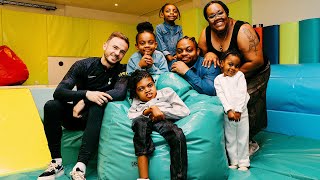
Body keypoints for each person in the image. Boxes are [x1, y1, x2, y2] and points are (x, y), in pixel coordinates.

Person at [38, 32, 130, 180]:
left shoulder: (123, 70)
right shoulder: (83, 65)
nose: (117, 53)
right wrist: (86, 94)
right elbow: (60, 92)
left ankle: (80, 166)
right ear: (104, 46)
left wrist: (88, 100)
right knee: (51, 105)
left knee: (98, 104)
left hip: (97, 119)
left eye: (122, 52)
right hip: (76, 116)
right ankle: (57, 162)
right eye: (114, 47)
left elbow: (119, 93)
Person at [198, 0, 270, 155]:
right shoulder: (206, 33)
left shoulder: (243, 30)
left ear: (227, 13)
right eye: (211, 16)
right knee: (226, 103)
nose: (217, 18)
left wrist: (232, 76)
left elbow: (257, 61)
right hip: (228, 75)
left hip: (255, 70)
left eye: (220, 13)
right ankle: (230, 141)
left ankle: (249, 142)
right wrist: (208, 53)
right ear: (208, 20)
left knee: (244, 102)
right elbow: (201, 53)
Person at [128, 70, 190, 180]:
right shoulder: (137, 101)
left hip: (163, 120)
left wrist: (160, 111)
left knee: (177, 134)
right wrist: (149, 110)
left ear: (154, 83)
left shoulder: (167, 92)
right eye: (141, 89)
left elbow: (184, 111)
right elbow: (131, 115)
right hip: (144, 121)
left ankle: (179, 178)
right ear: (136, 92)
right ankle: (143, 178)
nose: (147, 90)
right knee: (139, 124)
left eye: (150, 85)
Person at [214, 49, 250, 171]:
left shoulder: (240, 76)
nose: (233, 68)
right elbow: (221, 96)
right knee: (230, 138)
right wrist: (228, 110)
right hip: (228, 114)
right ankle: (234, 161)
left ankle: (244, 162)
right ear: (222, 63)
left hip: (242, 113)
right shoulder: (218, 79)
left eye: (236, 66)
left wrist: (239, 110)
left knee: (242, 137)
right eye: (230, 64)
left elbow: (242, 93)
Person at [156, 3, 183, 68]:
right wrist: (167, 55)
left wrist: (178, 53)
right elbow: (160, 43)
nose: (172, 13)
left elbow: (181, 42)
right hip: (162, 58)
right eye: (168, 11)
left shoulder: (179, 28)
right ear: (162, 15)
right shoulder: (159, 27)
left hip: (176, 57)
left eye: (175, 11)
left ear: (177, 15)